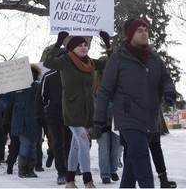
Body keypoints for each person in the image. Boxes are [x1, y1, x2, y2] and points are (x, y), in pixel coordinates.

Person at [94, 18, 177, 188]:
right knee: (141, 156)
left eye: (146, 29)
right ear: (130, 34)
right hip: (127, 117)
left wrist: (169, 91)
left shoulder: (154, 58)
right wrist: (99, 117)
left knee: (133, 160)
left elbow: (165, 78)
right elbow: (105, 90)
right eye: (139, 30)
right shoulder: (118, 58)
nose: (144, 33)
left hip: (149, 117)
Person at [43, 32, 107, 188]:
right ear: (72, 48)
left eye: (85, 45)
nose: (84, 47)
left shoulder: (90, 63)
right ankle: (87, 180)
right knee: (84, 141)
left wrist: (108, 44)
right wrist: (58, 42)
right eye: (80, 45)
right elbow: (48, 62)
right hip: (71, 109)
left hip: (86, 110)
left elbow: (109, 63)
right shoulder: (65, 61)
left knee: (76, 146)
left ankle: (69, 180)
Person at [35, 48, 72, 185]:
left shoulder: (74, 74)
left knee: (70, 144)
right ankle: (61, 172)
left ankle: (70, 170)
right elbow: (41, 96)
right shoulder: (49, 76)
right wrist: (40, 113)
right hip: (54, 114)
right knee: (59, 143)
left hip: (72, 114)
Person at [3, 64, 42, 178]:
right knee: (25, 145)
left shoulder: (38, 87)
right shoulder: (17, 90)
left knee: (33, 148)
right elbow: (6, 100)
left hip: (34, 123)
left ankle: (30, 170)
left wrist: (37, 91)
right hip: (20, 124)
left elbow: (45, 99)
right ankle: (22, 169)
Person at [92, 56, 123, 184]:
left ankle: (113, 170)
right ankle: (105, 174)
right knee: (104, 149)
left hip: (117, 120)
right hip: (101, 121)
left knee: (117, 148)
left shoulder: (118, 80)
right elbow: (93, 102)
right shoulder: (95, 83)